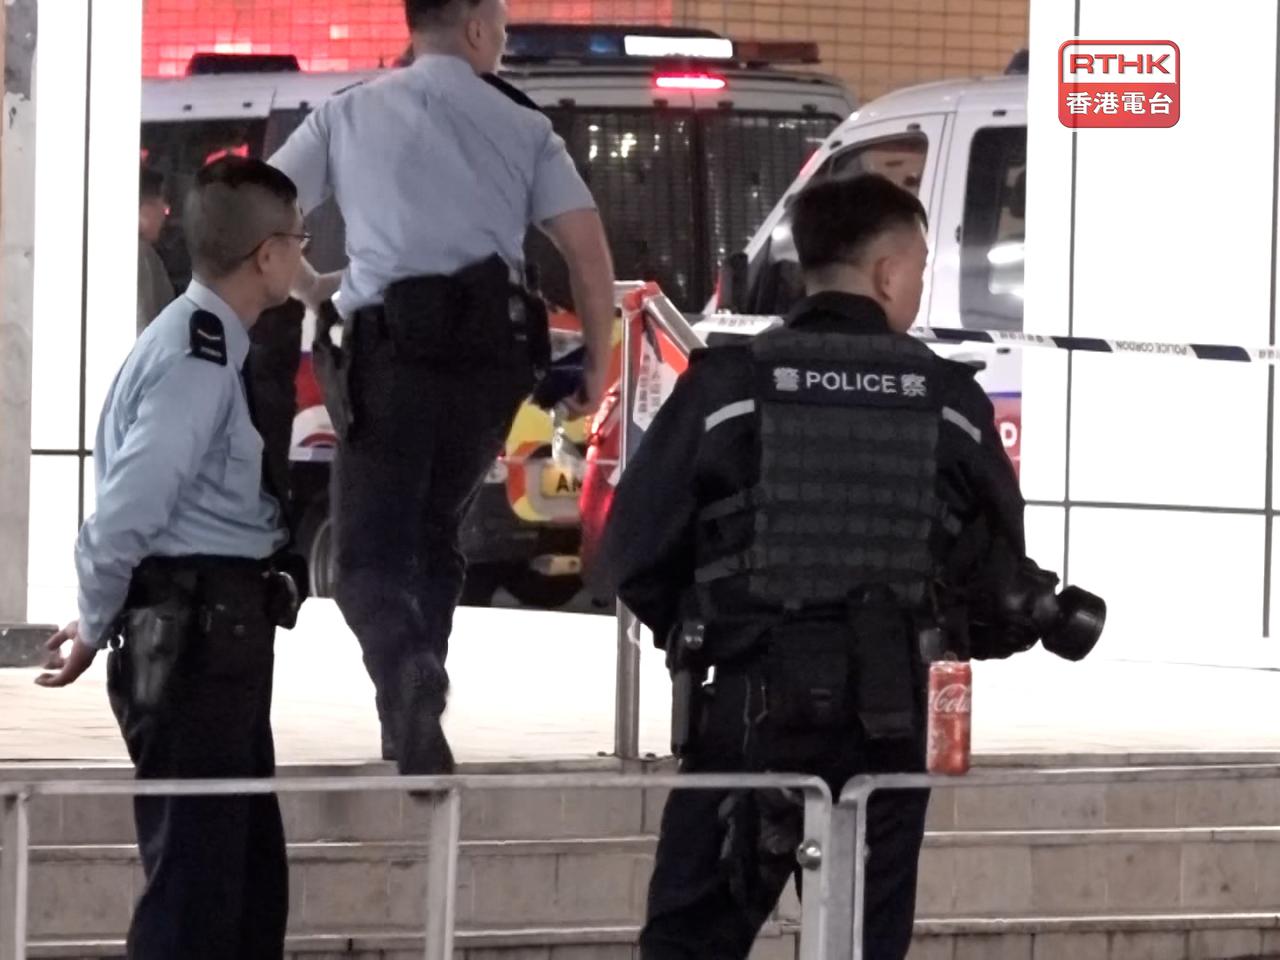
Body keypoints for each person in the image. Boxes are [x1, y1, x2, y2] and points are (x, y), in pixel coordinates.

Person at [603, 174, 1094, 960]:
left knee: (689, 944)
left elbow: (632, 554)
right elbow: (997, 580)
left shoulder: (729, 387)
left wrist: (715, 631)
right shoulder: (949, 401)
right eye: (921, 266)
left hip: (745, 713)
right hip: (890, 718)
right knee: (863, 945)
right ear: (889, 272)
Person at [268, 0, 616, 774]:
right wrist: (600, 358)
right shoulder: (523, 125)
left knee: (365, 560)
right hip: (492, 362)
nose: (504, 41)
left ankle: (406, 672)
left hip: (389, 360)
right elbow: (588, 252)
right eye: (501, 26)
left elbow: (261, 204)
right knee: (434, 534)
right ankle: (411, 724)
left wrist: (310, 286)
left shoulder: (347, 114)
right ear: (474, 31)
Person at [36, 156, 309, 960]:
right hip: (198, 650)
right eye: (299, 239)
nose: (303, 255)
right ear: (266, 254)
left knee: (243, 893)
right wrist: (94, 618)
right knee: (196, 901)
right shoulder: (196, 359)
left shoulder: (207, 343)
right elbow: (127, 511)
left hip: (213, 639)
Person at [137, 165, 176, 333]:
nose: (164, 216)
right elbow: (140, 328)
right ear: (144, 210)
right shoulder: (139, 255)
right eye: (163, 208)